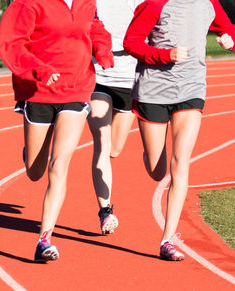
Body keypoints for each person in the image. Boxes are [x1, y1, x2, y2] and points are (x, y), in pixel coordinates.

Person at [0, 0, 113, 262]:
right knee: (34, 172)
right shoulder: (29, 3)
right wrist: (38, 69)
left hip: (77, 88)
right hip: (38, 90)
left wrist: (103, 49)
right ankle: (30, 154)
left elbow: (93, 26)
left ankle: (44, 238)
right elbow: (11, 43)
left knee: (59, 165)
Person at [123, 0, 235, 261]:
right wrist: (166, 55)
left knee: (181, 162)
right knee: (157, 170)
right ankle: (151, 155)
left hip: (191, 88)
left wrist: (229, 38)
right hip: (153, 91)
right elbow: (132, 42)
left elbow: (227, 27)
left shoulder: (209, 3)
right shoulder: (155, 4)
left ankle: (167, 238)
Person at [88, 0, 144, 235]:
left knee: (115, 149)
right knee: (102, 143)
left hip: (129, 77)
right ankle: (105, 212)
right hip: (97, 74)